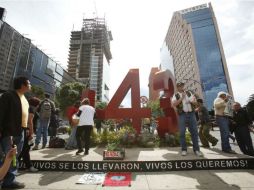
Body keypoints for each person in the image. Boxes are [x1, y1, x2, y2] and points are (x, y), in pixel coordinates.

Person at [0, 76, 31, 189]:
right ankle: (3, 180)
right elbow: (1, 112)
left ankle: (9, 181)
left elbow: (24, 116)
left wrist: (26, 129)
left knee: (15, 157)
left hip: (20, 130)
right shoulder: (8, 95)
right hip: (9, 131)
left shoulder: (24, 98)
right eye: (29, 83)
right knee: (7, 156)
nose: (30, 85)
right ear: (23, 85)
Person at [172, 82, 202, 157]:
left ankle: (197, 150)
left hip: (191, 114)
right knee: (182, 133)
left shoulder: (189, 93)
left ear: (183, 86)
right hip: (182, 114)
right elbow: (174, 104)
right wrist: (182, 98)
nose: (181, 87)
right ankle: (184, 150)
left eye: (182, 85)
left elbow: (195, 103)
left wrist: (192, 101)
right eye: (179, 86)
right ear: (177, 87)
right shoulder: (176, 95)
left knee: (194, 132)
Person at [18, 97, 40, 172]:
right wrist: (31, 132)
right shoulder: (31, 109)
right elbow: (30, 121)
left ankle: (28, 166)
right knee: (24, 149)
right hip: (26, 131)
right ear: (36, 104)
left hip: (24, 130)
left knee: (24, 149)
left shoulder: (26, 107)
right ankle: (12, 167)